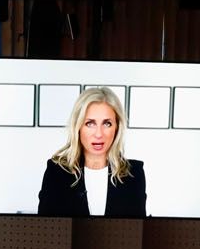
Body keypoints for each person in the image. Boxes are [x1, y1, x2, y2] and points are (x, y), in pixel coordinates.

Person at [35, 86, 146, 218]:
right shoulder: (56, 172)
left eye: (107, 123)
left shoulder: (134, 174)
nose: (99, 134)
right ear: (78, 126)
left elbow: (137, 232)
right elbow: (45, 230)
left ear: (117, 127)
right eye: (90, 123)